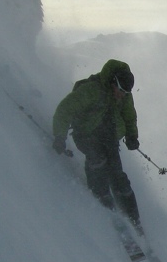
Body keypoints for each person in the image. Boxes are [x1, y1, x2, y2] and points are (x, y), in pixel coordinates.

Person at [52, 59, 143, 232]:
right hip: (85, 134)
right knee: (98, 161)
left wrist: (132, 136)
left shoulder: (124, 96)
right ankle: (104, 203)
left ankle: (134, 221)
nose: (122, 95)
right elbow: (65, 109)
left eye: (126, 92)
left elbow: (129, 116)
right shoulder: (92, 91)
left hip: (109, 136)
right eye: (121, 90)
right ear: (112, 82)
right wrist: (59, 136)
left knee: (118, 175)